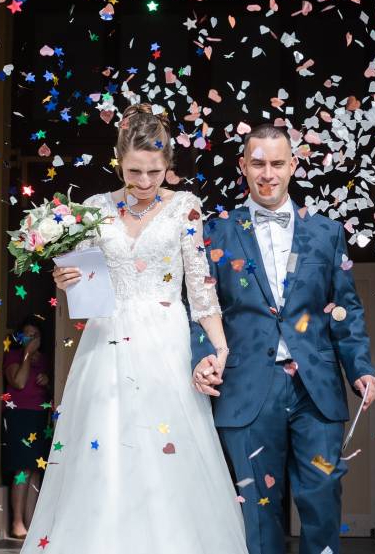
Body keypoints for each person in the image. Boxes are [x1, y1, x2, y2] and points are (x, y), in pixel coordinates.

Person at [21, 103, 248, 553]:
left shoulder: (185, 208)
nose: (144, 183)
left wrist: (220, 350)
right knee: (103, 448)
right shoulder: (94, 210)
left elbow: (201, 289)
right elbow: (83, 285)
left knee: (167, 447)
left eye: (154, 172)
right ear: (119, 161)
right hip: (106, 340)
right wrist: (63, 278)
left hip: (165, 339)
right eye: (134, 172)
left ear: (168, 167)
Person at [191, 123, 375, 554]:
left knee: (322, 500)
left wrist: (361, 368)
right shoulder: (214, 232)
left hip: (316, 390)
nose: (268, 173)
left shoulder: (327, 233)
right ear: (243, 165)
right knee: (256, 513)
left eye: (277, 163)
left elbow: (344, 308)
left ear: (293, 165)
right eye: (258, 163)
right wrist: (201, 358)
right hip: (245, 388)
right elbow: (197, 308)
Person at [2, 314, 54, 539]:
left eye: (36, 336)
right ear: (20, 337)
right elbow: (19, 382)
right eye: (28, 335)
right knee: (22, 470)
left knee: (35, 471)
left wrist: (47, 381)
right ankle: (17, 522)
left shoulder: (45, 359)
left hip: (40, 416)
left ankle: (31, 523)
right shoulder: (13, 355)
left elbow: (52, 388)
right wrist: (26, 354)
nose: (31, 339)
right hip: (19, 416)